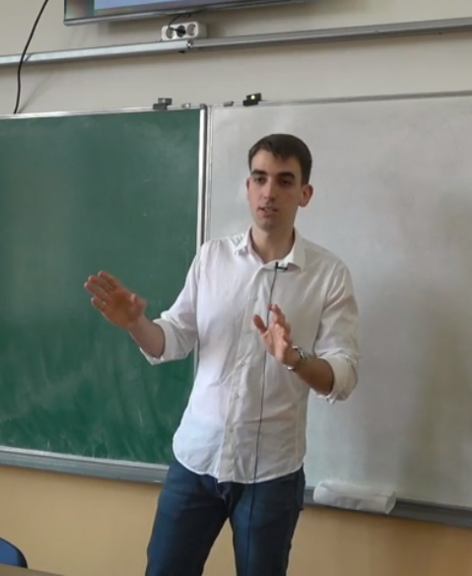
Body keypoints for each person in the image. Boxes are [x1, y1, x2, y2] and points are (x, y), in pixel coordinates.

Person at [83, 133, 360, 576]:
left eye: (284, 181)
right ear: (248, 188)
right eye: (260, 178)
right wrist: (136, 323)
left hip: (271, 474)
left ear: (304, 194)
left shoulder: (328, 275)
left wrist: (295, 359)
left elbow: (343, 375)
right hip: (196, 461)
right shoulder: (212, 258)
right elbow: (173, 339)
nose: (269, 192)